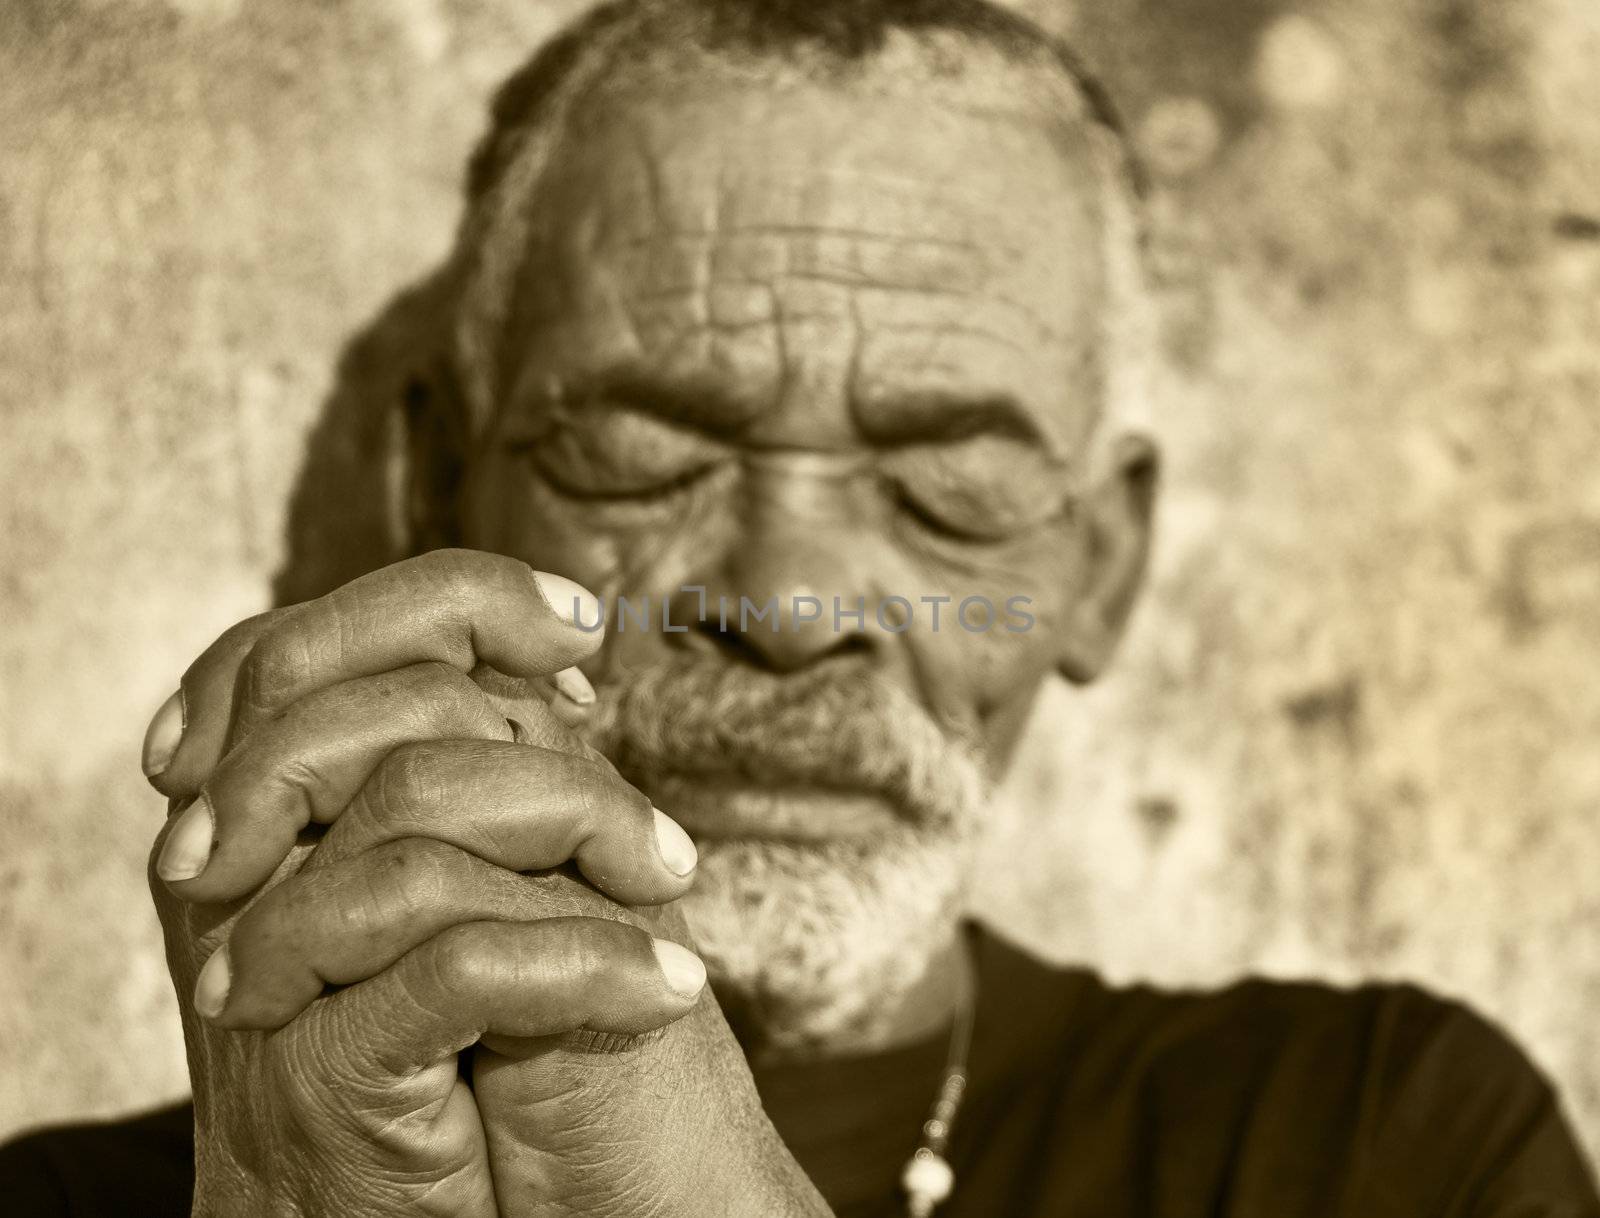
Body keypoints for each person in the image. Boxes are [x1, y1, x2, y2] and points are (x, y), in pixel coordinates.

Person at [4, 0, 1597, 1214]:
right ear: (435, 494)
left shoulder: (1379, 1145)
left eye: (944, 490)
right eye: (637, 459)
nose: (785, 600)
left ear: (1097, 568)